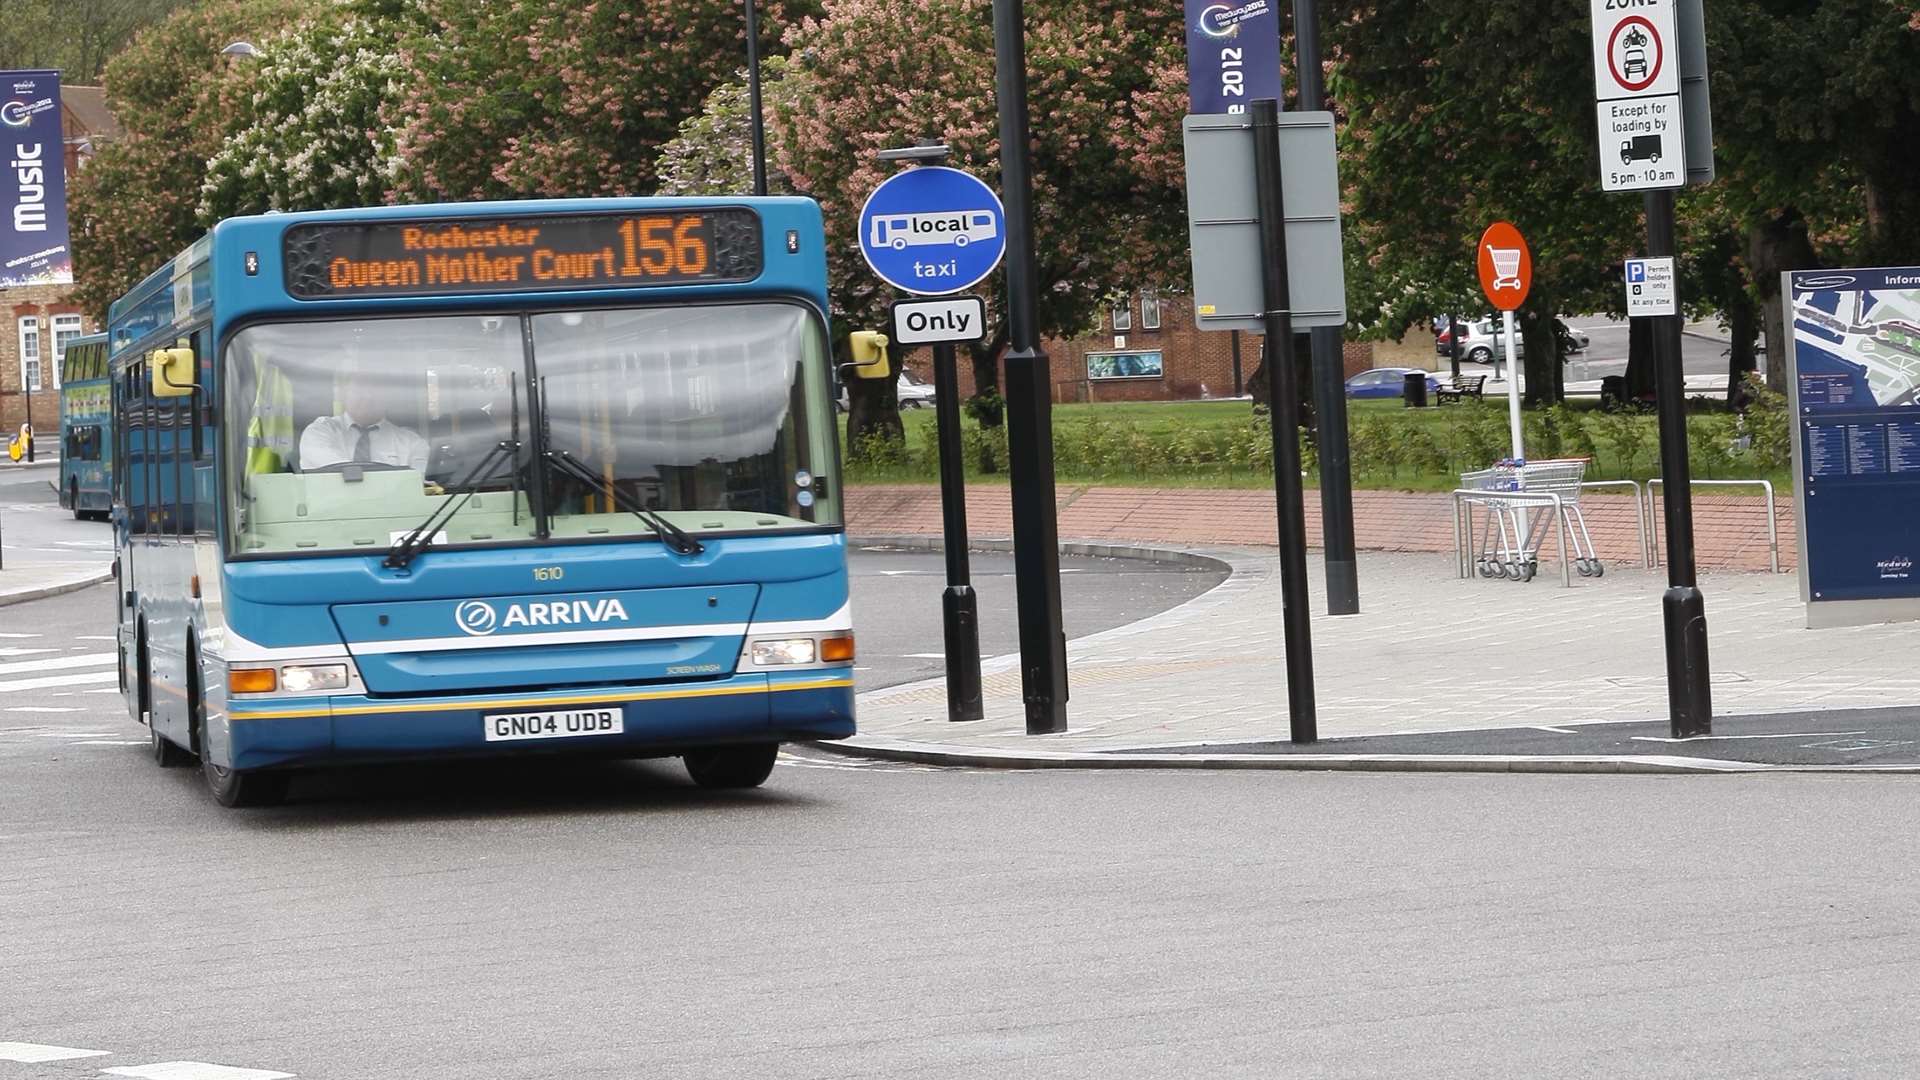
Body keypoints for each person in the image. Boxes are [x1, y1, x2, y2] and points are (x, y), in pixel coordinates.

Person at [299, 366, 430, 473]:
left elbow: (418, 484)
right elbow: (337, 473)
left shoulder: (412, 444)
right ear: (343, 394)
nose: (368, 396)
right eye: (360, 387)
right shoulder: (320, 431)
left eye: (376, 388)